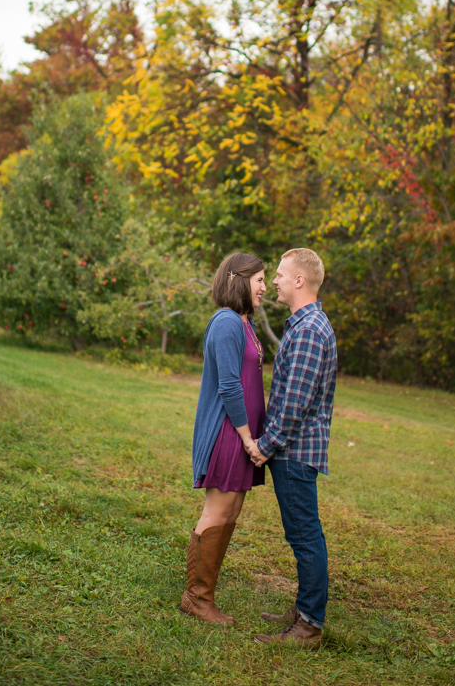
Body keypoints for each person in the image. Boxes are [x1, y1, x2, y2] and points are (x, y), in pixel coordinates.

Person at [247, 248, 337, 651]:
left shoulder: (308, 330)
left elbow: (294, 402)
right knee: (301, 534)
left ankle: (309, 627)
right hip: (296, 450)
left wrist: (264, 446)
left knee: (304, 537)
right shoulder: (306, 325)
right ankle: (304, 610)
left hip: (295, 453)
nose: (275, 281)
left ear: (300, 280)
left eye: (281, 274)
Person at [180, 251, 267, 626]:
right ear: (238, 280)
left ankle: (203, 594)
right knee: (216, 511)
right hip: (228, 434)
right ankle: (196, 599)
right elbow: (230, 385)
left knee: (231, 511)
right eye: (260, 279)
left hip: (242, 434)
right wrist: (248, 439)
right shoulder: (226, 322)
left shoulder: (245, 323)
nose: (265, 286)